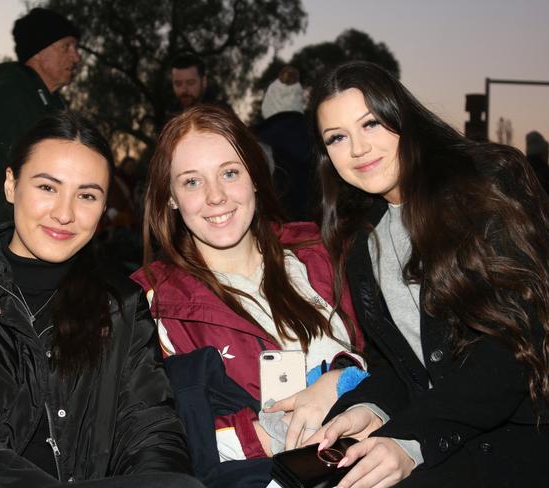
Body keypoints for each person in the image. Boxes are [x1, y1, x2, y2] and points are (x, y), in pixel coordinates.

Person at [0, 111, 200, 488]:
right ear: (11, 185)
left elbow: (150, 429)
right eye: (47, 187)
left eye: (87, 195)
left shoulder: (119, 304)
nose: (64, 213)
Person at [308, 61, 549, 487]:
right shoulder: (366, 242)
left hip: (525, 440)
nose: (358, 149)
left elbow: (515, 348)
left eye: (371, 124)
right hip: (450, 442)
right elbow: (403, 366)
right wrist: (368, 409)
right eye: (338, 138)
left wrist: (411, 438)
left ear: (404, 119)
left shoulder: (487, 185)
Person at [131, 105, 366, 481]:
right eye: (192, 181)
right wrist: (271, 435)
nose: (216, 197)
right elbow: (159, 444)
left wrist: (341, 380)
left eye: (229, 173)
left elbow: (400, 368)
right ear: (170, 197)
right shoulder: (151, 305)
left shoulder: (323, 255)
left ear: (255, 176)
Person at [0, 7, 81, 242]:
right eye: (67, 46)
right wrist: (15, 251)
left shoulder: (50, 105)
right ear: (39, 52)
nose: (76, 57)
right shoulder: (3, 100)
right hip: (0, 259)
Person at [255, 66, 315, 221]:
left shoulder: (256, 143)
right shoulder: (318, 139)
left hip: (276, 230)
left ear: (269, 100)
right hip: (313, 231)